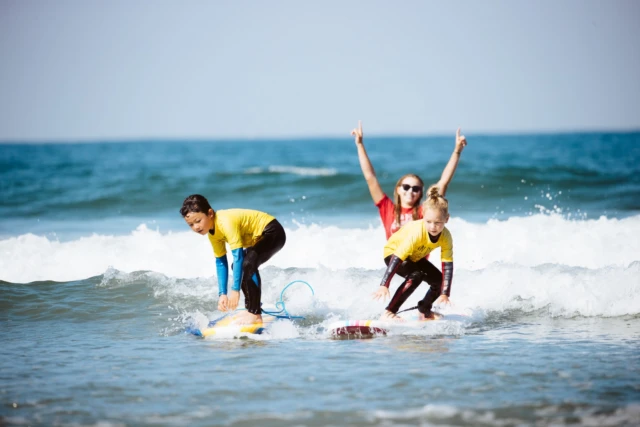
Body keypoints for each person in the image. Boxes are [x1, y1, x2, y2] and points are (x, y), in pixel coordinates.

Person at [180, 194, 286, 325]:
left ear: (210, 213)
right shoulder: (213, 234)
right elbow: (220, 262)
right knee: (238, 266)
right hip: (260, 238)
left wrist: (235, 290)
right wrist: (222, 294)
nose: (196, 227)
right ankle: (250, 309)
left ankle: (255, 313)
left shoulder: (225, 222)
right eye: (191, 224)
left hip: (273, 232)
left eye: (198, 221)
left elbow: (238, 256)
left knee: (247, 264)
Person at [351, 120, 467, 239]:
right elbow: (370, 177)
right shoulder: (387, 208)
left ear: (420, 193)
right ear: (398, 189)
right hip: (395, 257)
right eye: (406, 187)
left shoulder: (425, 211)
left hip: (418, 258)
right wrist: (360, 145)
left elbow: (443, 182)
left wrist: (457, 151)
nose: (410, 191)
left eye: (415, 188)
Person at [372, 186, 454, 321]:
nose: (433, 227)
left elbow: (448, 265)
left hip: (414, 257)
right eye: (428, 222)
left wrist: (445, 293)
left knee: (439, 280)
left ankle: (424, 309)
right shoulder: (417, 232)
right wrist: (384, 285)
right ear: (423, 217)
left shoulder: (446, 236)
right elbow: (398, 257)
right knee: (416, 276)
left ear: (447, 219)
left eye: (438, 223)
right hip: (393, 253)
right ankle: (389, 312)